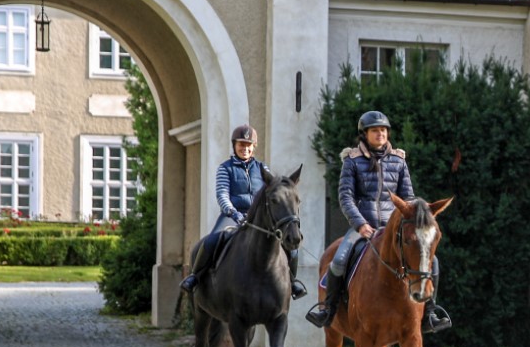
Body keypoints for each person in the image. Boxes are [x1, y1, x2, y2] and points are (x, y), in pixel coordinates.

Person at [305, 110, 452, 332]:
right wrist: (360, 224)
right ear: (365, 134)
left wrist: (412, 218)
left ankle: (430, 313)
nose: (380, 134)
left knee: (433, 261)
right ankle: (328, 309)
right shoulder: (352, 161)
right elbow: (345, 196)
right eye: (375, 131)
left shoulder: (399, 160)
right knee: (339, 259)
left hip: (394, 228)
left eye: (383, 130)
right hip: (363, 226)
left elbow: (408, 197)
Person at [180, 124, 306, 298]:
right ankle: (195, 277)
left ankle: (292, 282)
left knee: (291, 248)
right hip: (232, 215)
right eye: (241, 144)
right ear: (235, 145)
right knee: (212, 240)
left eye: (248, 145)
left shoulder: (263, 169)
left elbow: (272, 192)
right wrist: (234, 213)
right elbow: (222, 194)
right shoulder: (225, 168)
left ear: (254, 147)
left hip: (258, 216)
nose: (245, 148)